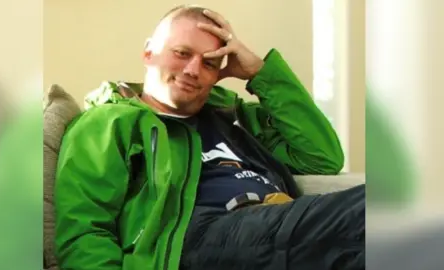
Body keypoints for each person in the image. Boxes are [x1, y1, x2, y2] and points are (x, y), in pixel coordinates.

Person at [54, 4, 364, 270]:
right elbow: (85, 230)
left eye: (209, 63)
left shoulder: (233, 119)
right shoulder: (107, 122)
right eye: (182, 53)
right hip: (195, 237)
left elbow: (322, 156)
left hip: (278, 223)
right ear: (149, 52)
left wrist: (259, 72)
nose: (192, 70)